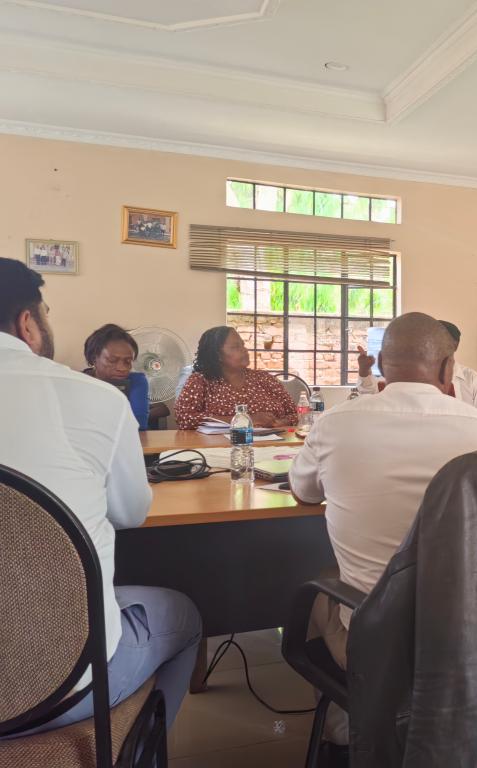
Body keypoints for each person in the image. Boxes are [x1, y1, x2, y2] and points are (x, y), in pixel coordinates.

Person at [289, 312, 477, 750]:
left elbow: (304, 492)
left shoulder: (335, 423)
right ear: (448, 369)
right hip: (471, 637)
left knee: (319, 589)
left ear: (378, 365)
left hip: (375, 640)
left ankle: (345, 728)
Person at [0, 258, 201, 736]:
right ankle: (130, 749)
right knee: (184, 615)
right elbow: (130, 513)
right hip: (56, 688)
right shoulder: (96, 399)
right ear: (28, 323)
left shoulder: (122, 390)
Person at [175, 326, 297, 430]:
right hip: (220, 446)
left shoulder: (264, 378)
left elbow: (296, 414)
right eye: (235, 347)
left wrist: (282, 422)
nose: (244, 350)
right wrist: (246, 420)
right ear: (217, 355)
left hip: (274, 443)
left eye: (243, 345)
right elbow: (184, 418)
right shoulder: (201, 381)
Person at [355, 320, 477, 410]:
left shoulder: (470, 378)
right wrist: (364, 372)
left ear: (455, 345)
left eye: (444, 341)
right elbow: (371, 397)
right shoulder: (409, 372)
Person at [82, 323, 169, 430]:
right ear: (93, 358)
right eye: (112, 360)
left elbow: (138, 425)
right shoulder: (77, 383)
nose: (122, 368)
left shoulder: (137, 382)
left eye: (127, 362)